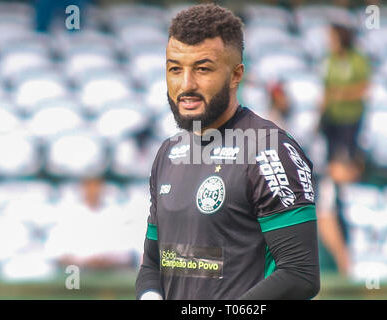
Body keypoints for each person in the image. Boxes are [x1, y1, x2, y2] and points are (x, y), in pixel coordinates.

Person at [135, 4, 320, 300]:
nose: (186, 85)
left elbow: (300, 273)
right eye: (175, 69)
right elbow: (154, 264)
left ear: (236, 76)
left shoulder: (269, 148)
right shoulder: (168, 153)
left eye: (203, 69)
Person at [319, 23, 370, 165]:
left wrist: (342, 95)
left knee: (349, 156)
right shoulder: (330, 59)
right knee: (331, 155)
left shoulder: (357, 59)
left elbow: (364, 88)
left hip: (350, 117)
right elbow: (326, 87)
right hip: (332, 116)